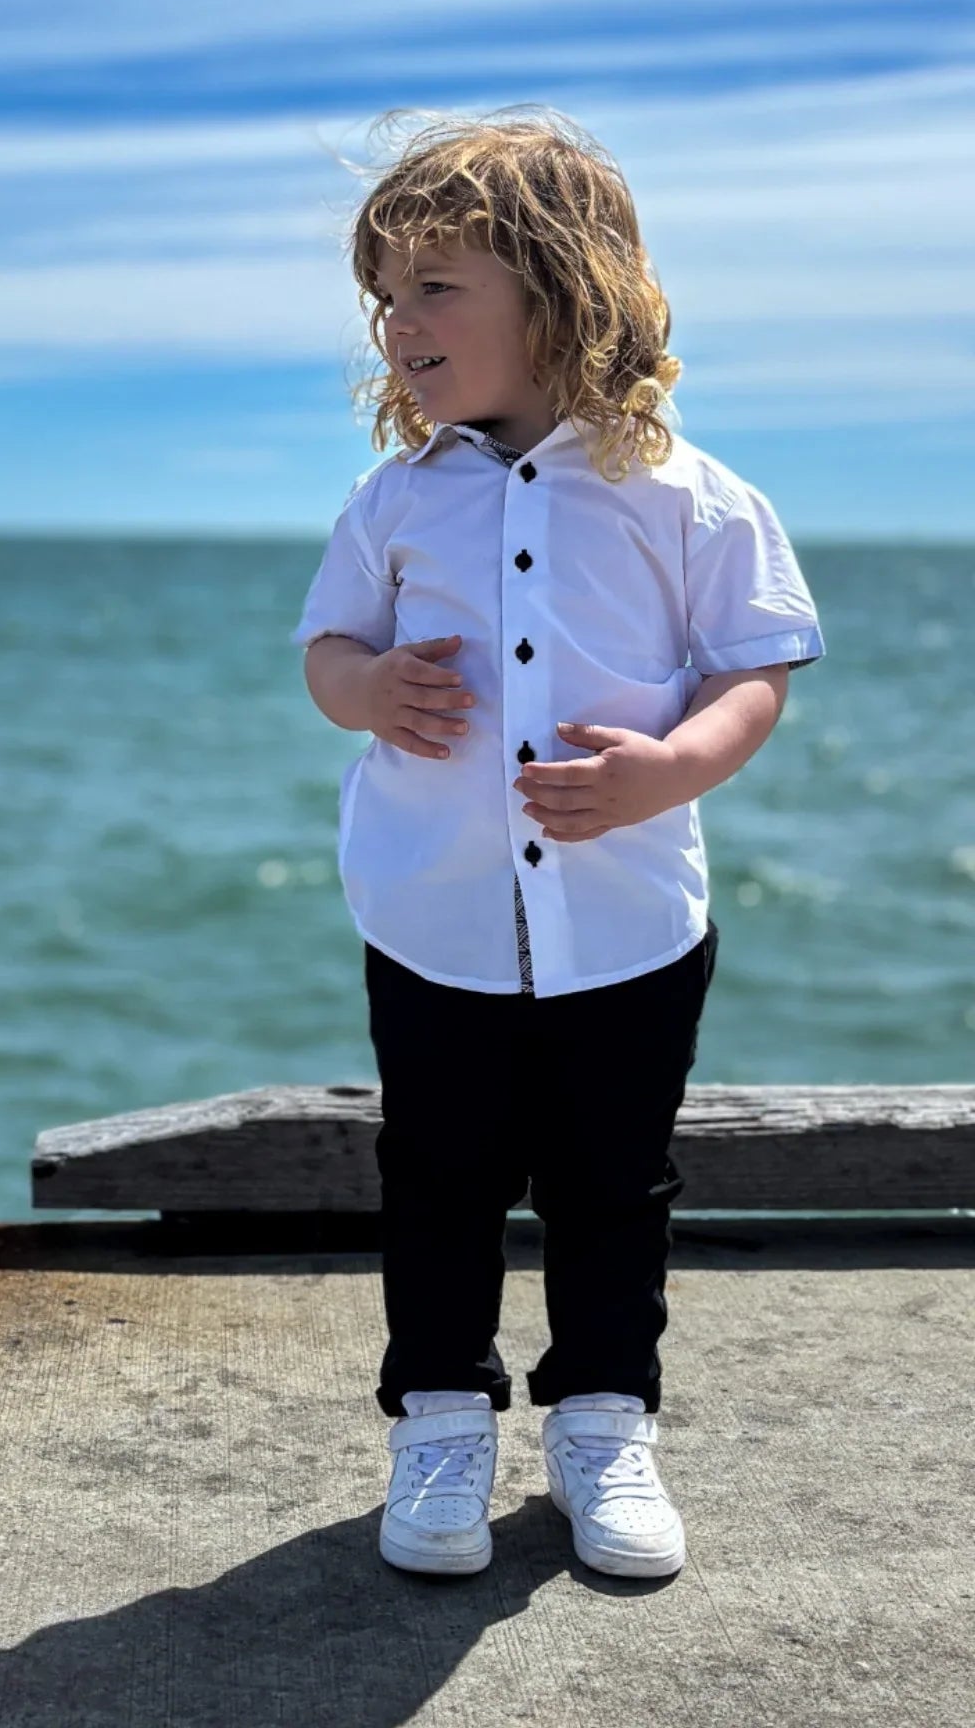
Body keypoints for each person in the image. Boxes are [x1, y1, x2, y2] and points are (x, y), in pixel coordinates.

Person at [291, 107, 824, 1580]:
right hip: (434, 910)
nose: (398, 324)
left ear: (562, 290)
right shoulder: (397, 498)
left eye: (434, 287)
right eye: (384, 298)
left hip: (631, 919)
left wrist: (674, 769)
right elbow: (328, 652)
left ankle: (604, 1417)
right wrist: (368, 692)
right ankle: (440, 1419)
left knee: (614, 1185)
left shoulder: (688, 495)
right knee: (438, 1177)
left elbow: (755, 671)